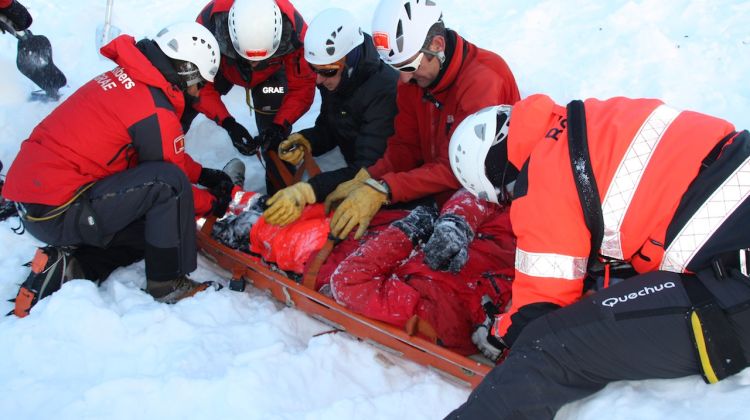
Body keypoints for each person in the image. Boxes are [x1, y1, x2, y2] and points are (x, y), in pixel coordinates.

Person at [444, 96, 750, 418]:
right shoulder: (589, 121)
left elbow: (539, 307)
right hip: (732, 224)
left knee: (547, 346)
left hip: (736, 277)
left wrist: (501, 332)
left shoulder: (543, 179)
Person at [3, 22, 242, 316]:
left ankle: (69, 268)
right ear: (187, 71)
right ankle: (167, 284)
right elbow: (172, 181)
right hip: (57, 210)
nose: (198, 91)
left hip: (37, 199)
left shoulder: (132, 79)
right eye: (200, 83)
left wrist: (205, 175)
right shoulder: (154, 109)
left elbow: (166, 157)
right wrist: (215, 202)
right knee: (167, 187)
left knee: (155, 231)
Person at [324, 0, 520, 241]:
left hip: (486, 211)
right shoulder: (415, 80)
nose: (404, 79)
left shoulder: (483, 80)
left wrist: (385, 189)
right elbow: (406, 146)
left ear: (437, 45)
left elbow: (460, 169)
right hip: (438, 202)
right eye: (396, 68)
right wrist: (369, 177)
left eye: (408, 66)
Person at [323, 189, 515, 355]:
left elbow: (479, 194)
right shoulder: (439, 319)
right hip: (513, 252)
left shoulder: (409, 305)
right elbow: (348, 281)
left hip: (496, 230)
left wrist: (452, 223)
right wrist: (409, 231)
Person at [262, 7, 398, 226]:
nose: (318, 80)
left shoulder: (383, 91)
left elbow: (369, 169)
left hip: (384, 191)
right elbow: (331, 127)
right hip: (355, 174)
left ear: (350, 60)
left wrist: (310, 190)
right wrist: (307, 140)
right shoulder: (336, 79)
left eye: (326, 71)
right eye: (313, 69)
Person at [195, 0, 316, 193]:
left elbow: (302, 86)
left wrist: (279, 125)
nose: (254, 64)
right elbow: (197, 88)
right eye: (248, 58)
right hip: (225, 67)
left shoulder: (295, 34)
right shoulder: (209, 26)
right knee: (182, 96)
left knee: (275, 142)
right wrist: (228, 123)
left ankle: (280, 196)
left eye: (261, 58)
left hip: (271, 73)